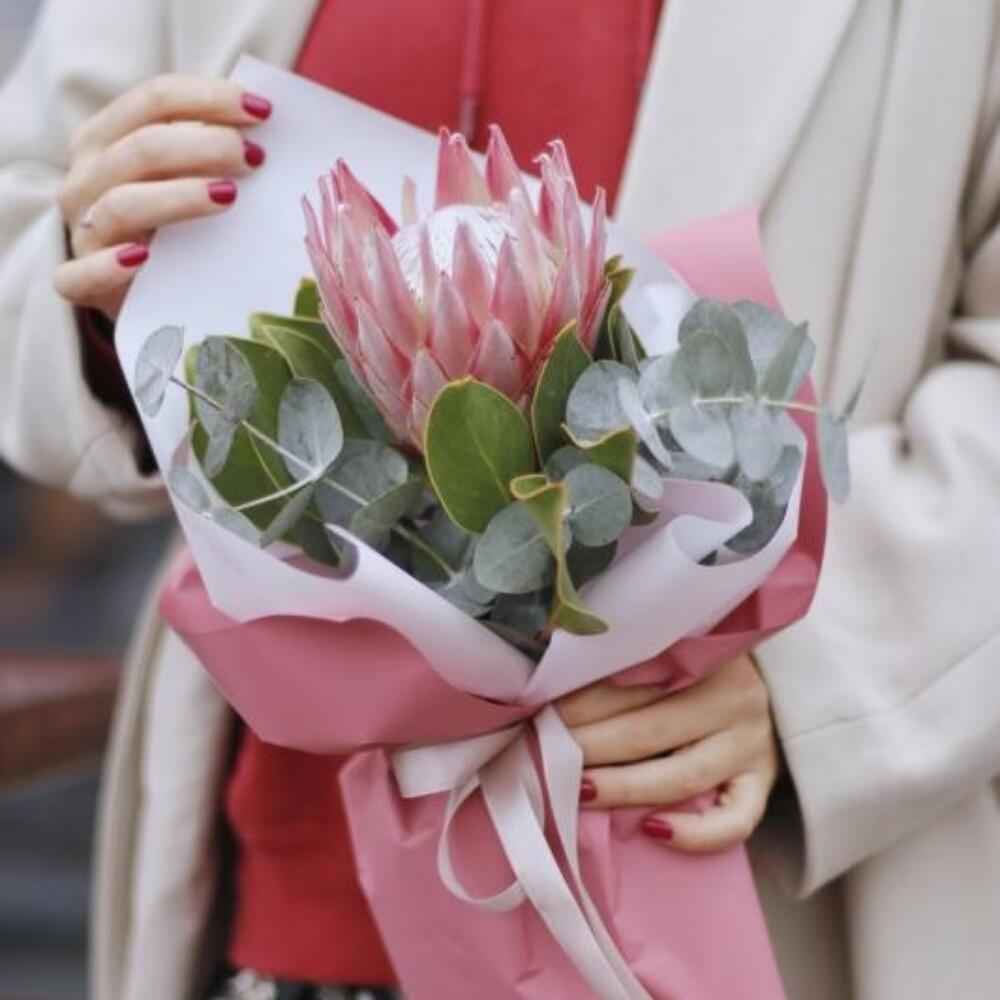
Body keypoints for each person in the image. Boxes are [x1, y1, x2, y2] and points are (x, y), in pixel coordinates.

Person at [1, 1, 999, 998]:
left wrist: (817, 667)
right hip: (287, 919)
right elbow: (32, 220)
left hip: (727, 901)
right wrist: (109, 291)